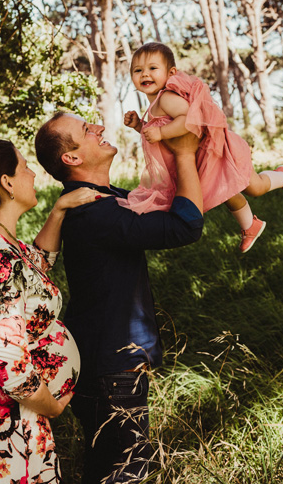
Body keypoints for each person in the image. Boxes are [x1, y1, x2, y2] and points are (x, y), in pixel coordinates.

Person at [34, 112, 204, 484]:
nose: (99, 128)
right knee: (126, 470)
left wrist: (173, 145)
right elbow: (185, 226)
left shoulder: (106, 200)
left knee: (107, 465)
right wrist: (186, 154)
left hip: (106, 363)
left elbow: (173, 203)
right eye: (86, 130)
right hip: (110, 369)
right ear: (72, 158)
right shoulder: (94, 212)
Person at [0, 139, 107, 484]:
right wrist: (54, 405)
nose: (32, 173)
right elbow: (13, 371)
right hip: (3, 425)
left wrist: (58, 211)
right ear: (7, 182)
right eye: (25, 167)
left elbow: (35, 265)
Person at [119, 41, 283, 253]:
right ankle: (250, 225)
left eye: (153, 68)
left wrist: (161, 132)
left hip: (218, 150)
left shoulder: (167, 99)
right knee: (224, 192)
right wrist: (139, 126)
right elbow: (159, 135)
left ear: (171, 72)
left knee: (255, 188)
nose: (145, 74)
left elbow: (189, 118)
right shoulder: (155, 105)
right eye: (138, 70)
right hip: (203, 157)